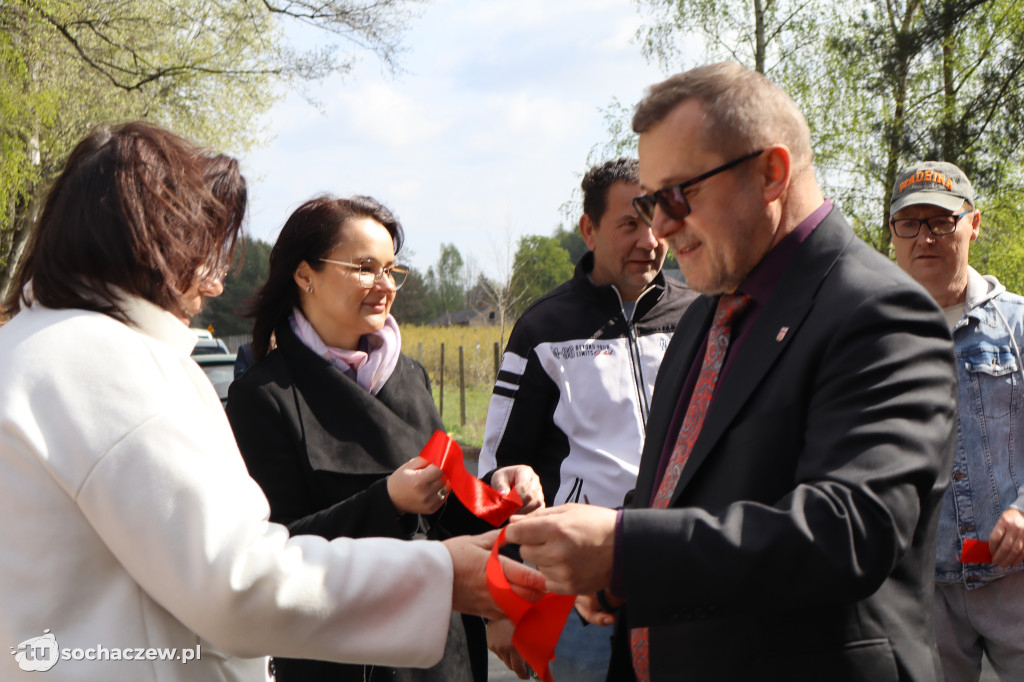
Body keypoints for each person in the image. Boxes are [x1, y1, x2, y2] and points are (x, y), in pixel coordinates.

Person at [0, 122, 543, 682]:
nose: (212, 283)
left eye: (391, 270)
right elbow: (237, 577)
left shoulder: (31, 352)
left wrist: (493, 500)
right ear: (146, 240)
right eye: (201, 249)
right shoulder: (111, 367)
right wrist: (430, 567)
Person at [506, 62, 959, 681]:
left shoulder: (878, 311)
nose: (661, 227)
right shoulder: (705, 316)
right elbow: (678, 491)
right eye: (646, 202)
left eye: (676, 195)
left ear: (771, 173)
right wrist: (615, 577)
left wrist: (625, 549)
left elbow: (848, 530)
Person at [225, 195, 544, 682]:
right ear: (304, 274)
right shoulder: (264, 396)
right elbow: (273, 549)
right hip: (341, 656)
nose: (385, 285)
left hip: (442, 649)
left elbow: (449, 507)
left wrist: (500, 490)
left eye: (392, 270)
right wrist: (387, 501)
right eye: (365, 267)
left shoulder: (408, 375)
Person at [477, 157, 695, 679]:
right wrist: (503, 604)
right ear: (589, 230)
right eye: (629, 224)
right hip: (577, 593)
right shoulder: (542, 328)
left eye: (657, 220)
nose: (650, 239)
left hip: (683, 568)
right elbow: (496, 470)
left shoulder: (700, 314)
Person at [888, 161, 1024, 681]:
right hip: (924, 589)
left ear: (974, 223)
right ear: (894, 235)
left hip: (1016, 579)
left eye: (942, 221)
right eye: (911, 223)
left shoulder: (1014, 326)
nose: (926, 237)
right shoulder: (875, 338)